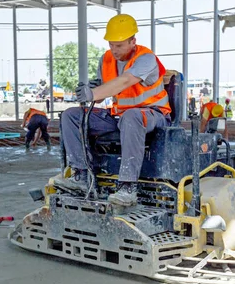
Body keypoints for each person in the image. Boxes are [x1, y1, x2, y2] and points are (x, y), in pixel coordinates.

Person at [54, 14, 171, 207]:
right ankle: (81, 175)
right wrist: (91, 91)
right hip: (121, 117)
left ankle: (127, 187)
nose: (114, 50)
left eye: (119, 45)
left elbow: (124, 81)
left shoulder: (146, 59)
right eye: (111, 45)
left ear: (133, 41)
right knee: (71, 116)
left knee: (132, 116)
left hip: (153, 115)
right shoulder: (107, 59)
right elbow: (102, 95)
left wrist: (93, 93)